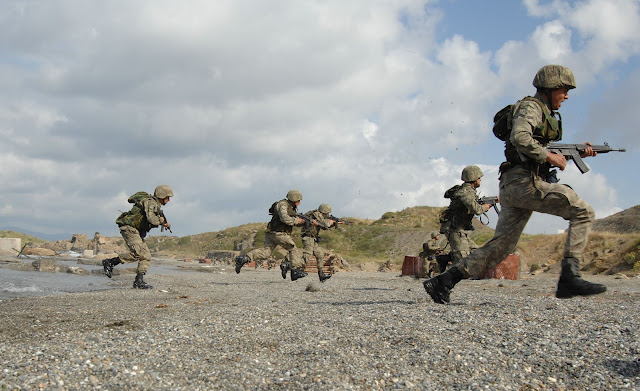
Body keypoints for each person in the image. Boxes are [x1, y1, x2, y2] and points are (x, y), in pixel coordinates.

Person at [424, 64, 606, 304]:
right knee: (583, 212)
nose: (566, 96)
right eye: (563, 90)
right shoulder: (532, 106)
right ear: (550, 88)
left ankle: (444, 281)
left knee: (500, 248)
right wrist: (549, 157)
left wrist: (575, 151)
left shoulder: (539, 110)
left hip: (515, 186)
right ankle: (570, 277)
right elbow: (520, 137)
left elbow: (534, 142)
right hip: (524, 183)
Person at [102, 185, 173, 289]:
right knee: (138, 253)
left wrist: (162, 221)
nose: (169, 200)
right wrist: (162, 221)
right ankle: (110, 262)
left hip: (134, 230)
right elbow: (151, 219)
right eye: (168, 197)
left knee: (146, 256)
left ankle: (138, 281)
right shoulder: (151, 202)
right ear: (162, 196)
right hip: (130, 229)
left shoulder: (153, 204)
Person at [235, 190, 309, 281]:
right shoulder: (283, 205)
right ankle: (294, 271)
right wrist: (297, 221)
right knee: (293, 249)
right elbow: (284, 218)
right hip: (279, 233)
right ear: (294, 199)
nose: (300, 203)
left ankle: (243, 259)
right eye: (298, 200)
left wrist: (304, 222)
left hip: (272, 233)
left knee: (266, 252)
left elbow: (291, 220)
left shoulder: (289, 206)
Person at [439, 166, 492, 265]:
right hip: (453, 228)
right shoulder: (466, 192)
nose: (480, 179)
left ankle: (446, 258)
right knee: (462, 261)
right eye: (479, 177)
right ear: (473, 177)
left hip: (459, 229)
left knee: (475, 252)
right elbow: (476, 209)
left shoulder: (469, 191)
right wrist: (484, 207)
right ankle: (446, 260)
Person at [301, 203, 343, 282]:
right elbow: (325, 224)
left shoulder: (318, 215)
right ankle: (290, 266)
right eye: (327, 213)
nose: (328, 214)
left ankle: (321, 274)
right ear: (324, 211)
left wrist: (333, 223)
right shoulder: (317, 214)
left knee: (319, 254)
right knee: (307, 256)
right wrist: (332, 222)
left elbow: (324, 227)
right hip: (308, 238)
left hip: (312, 239)